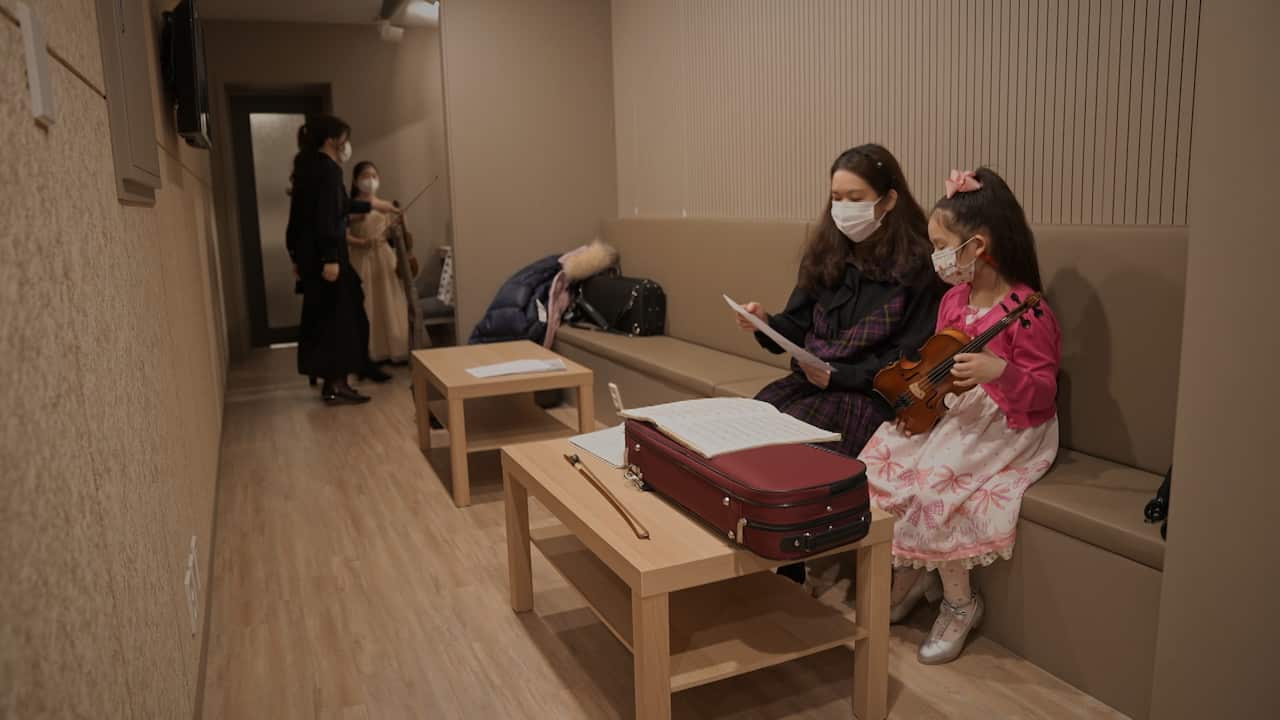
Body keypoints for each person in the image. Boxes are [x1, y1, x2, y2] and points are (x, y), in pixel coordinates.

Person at [862, 168, 1060, 665]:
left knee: (934, 487)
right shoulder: (954, 299)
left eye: (942, 245)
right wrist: (918, 406)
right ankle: (913, 573)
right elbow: (938, 366)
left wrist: (999, 370)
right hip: (957, 412)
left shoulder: (1030, 312)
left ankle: (960, 603)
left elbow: (1040, 392)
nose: (937, 258)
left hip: (1012, 421)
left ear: (977, 245)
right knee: (877, 460)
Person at [734, 144, 943, 582]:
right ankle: (760, 552)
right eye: (837, 198)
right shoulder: (827, 253)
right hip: (815, 382)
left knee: (795, 447)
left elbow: (910, 361)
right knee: (751, 425)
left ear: (888, 200)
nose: (843, 209)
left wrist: (839, 375)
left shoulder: (919, 265)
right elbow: (794, 326)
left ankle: (786, 562)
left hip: (870, 395)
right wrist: (764, 322)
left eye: (855, 198)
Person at [286, 115, 397, 405]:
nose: (346, 144)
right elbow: (327, 216)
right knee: (342, 321)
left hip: (313, 257)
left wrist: (373, 204)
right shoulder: (328, 170)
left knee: (333, 318)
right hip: (328, 258)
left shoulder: (310, 168)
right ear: (332, 139)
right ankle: (337, 384)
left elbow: (331, 208)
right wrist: (331, 257)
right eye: (344, 138)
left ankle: (335, 383)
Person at [347, 161, 411, 365]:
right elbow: (342, 234)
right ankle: (367, 352)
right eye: (365, 176)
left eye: (374, 175)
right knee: (366, 304)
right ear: (355, 181)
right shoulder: (350, 207)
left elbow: (395, 236)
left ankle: (394, 348)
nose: (371, 180)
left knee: (389, 301)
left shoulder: (385, 206)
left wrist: (399, 223)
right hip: (360, 258)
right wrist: (363, 242)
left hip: (384, 258)